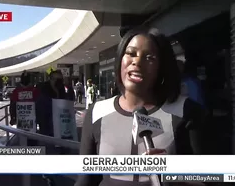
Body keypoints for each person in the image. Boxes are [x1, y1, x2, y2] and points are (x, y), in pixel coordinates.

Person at [75, 27, 207, 186]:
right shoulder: (96, 112)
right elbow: (86, 180)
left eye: (150, 57)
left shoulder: (187, 112)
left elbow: (210, 179)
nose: (137, 61)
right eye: (130, 53)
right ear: (120, 59)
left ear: (162, 67)